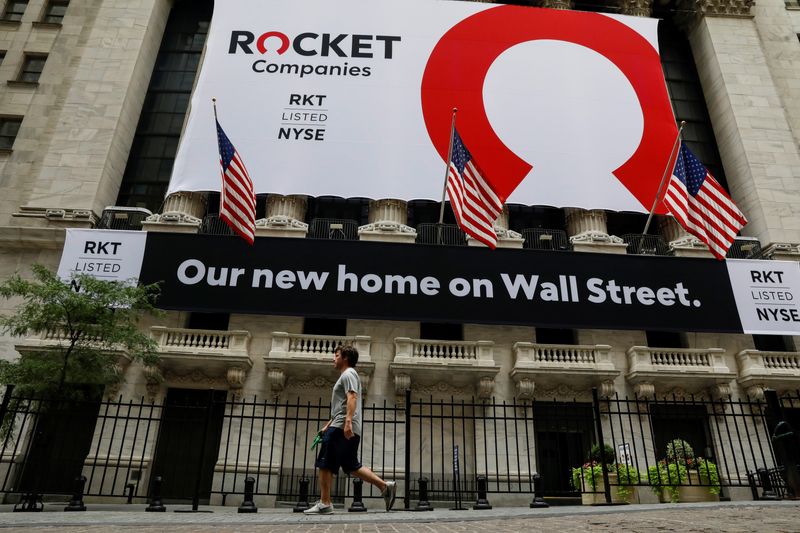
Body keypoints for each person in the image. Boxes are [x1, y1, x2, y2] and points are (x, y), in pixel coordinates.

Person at [304, 344, 397, 514]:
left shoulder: (348, 373)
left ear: (345, 357)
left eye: (337, 355)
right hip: (343, 425)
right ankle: (385, 486)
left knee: (325, 463)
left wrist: (347, 422)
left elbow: (352, 397)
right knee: (351, 464)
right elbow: (343, 404)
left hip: (343, 427)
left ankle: (325, 503)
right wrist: (328, 425)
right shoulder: (348, 375)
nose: (334, 358)